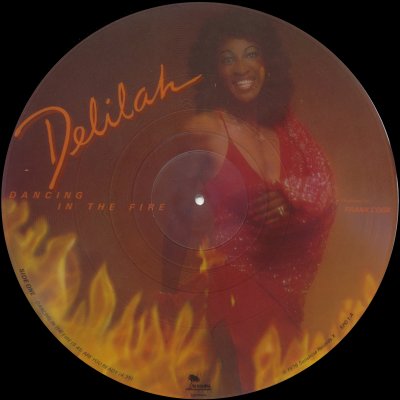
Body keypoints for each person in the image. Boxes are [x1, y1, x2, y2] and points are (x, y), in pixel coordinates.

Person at [160, 9, 336, 394]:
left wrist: (290, 198)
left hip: (288, 297)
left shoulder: (288, 127)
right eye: (228, 58)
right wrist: (170, 296)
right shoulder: (205, 130)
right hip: (235, 293)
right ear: (215, 71)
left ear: (267, 63)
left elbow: (325, 191)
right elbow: (177, 218)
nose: (241, 67)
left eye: (250, 53)